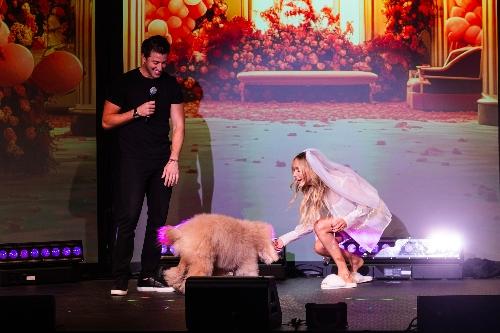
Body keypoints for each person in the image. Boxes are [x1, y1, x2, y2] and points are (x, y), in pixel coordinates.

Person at [102, 35, 185, 296]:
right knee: (128, 219)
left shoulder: (170, 84)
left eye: (163, 62)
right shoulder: (125, 83)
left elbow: (179, 126)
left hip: (161, 160)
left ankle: (148, 275)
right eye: (154, 62)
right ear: (144, 57)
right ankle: (120, 279)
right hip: (132, 161)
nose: (159, 67)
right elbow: (106, 121)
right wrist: (135, 112)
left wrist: (174, 160)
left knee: (158, 221)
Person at [273, 148, 392, 289]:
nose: (294, 175)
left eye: (298, 170)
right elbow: (312, 224)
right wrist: (284, 240)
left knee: (321, 226)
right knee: (319, 246)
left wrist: (347, 220)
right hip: (350, 232)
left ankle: (344, 273)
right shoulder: (319, 190)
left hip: (367, 227)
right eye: (293, 170)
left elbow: (368, 205)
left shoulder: (341, 181)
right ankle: (354, 260)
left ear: (311, 169)